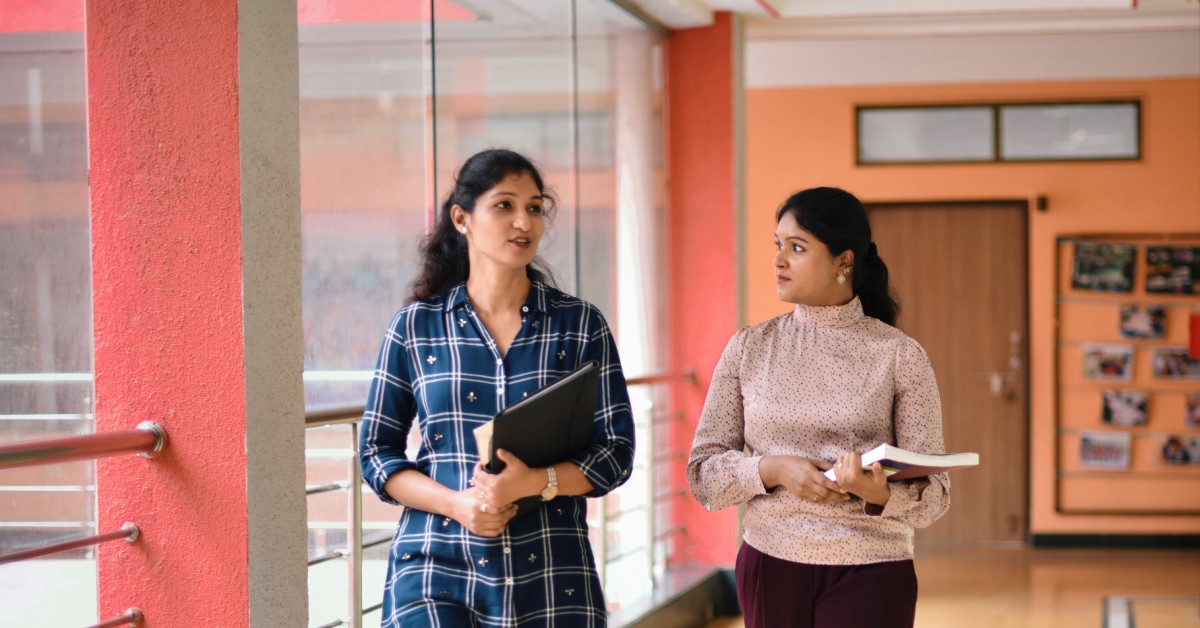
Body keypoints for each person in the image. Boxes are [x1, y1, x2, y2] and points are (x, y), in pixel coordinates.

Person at [359, 149, 635, 627]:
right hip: (434, 567)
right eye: (504, 205)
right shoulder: (416, 327)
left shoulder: (579, 325)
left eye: (534, 207)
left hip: (551, 569)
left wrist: (537, 483)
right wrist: (457, 504)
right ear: (462, 219)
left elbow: (616, 453)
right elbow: (376, 454)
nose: (523, 221)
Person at [686, 187, 951, 628]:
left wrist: (876, 493)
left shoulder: (899, 355)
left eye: (797, 248)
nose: (778, 260)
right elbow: (703, 475)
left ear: (844, 261)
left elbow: (935, 495)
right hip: (770, 563)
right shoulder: (748, 348)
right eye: (778, 245)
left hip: (871, 568)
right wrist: (770, 469)